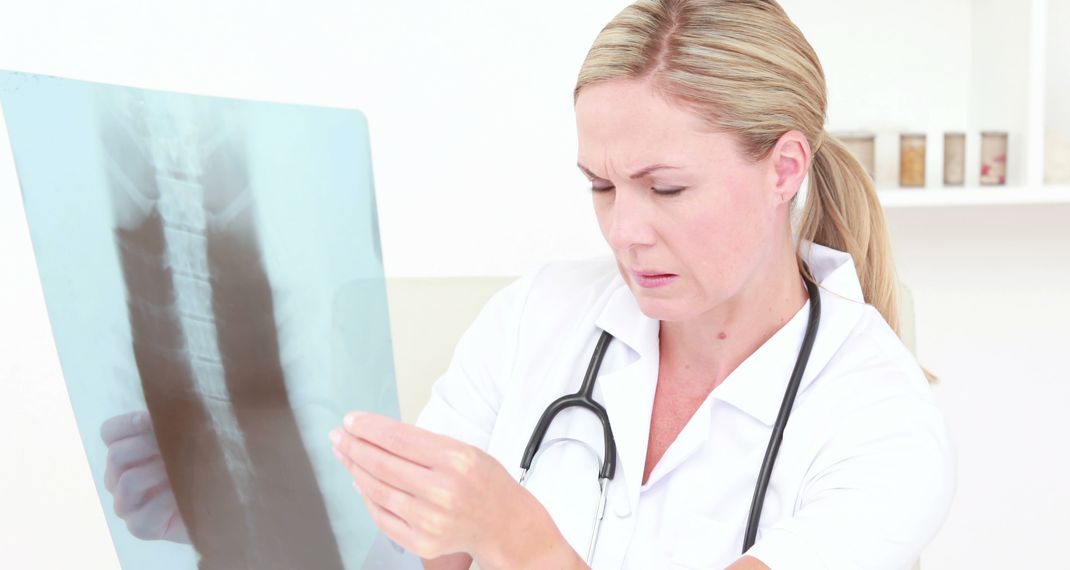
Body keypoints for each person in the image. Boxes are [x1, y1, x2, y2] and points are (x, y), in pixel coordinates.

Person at [107, 0, 956, 567]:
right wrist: (235, 514)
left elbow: (497, 540)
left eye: (666, 188)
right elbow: (414, 555)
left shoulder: (878, 414)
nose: (625, 230)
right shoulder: (538, 315)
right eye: (600, 186)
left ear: (784, 169)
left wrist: (522, 540)